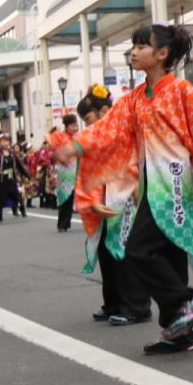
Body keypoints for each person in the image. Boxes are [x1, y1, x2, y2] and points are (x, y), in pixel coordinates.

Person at [56, 23, 193, 354]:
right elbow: (107, 129)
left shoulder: (181, 90)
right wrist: (76, 146)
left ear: (162, 54)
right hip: (152, 182)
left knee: (137, 248)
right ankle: (179, 333)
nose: (133, 52)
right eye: (133, 46)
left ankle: (186, 303)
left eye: (141, 46)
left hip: (175, 182)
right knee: (168, 254)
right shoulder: (134, 98)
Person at [73, 85, 152, 326]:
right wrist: (92, 201)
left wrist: (137, 187)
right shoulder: (96, 137)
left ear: (105, 111)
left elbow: (137, 161)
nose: (87, 125)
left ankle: (137, 306)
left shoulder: (123, 131)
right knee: (106, 253)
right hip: (106, 197)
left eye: (88, 119)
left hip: (125, 197)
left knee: (125, 252)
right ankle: (114, 303)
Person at [47, 114, 80, 232]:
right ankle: (62, 224)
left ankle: (67, 223)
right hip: (64, 170)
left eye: (76, 125)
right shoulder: (59, 136)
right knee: (65, 196)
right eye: (72, 126)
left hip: (77, 168)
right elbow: (51, 151)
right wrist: (61, 158)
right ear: (66, 126)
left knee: (75, 196)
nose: (75, 128)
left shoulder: (78, 137)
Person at [0, 134, 29, 221]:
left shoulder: (12, 154)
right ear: (0, 142)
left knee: (18, 196)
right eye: (3, 141)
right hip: (1, 180)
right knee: (0, 199)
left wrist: (26, 175)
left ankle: (23, 212)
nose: (5, 143)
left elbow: (20, 166)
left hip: (11, 179)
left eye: (7, 141)